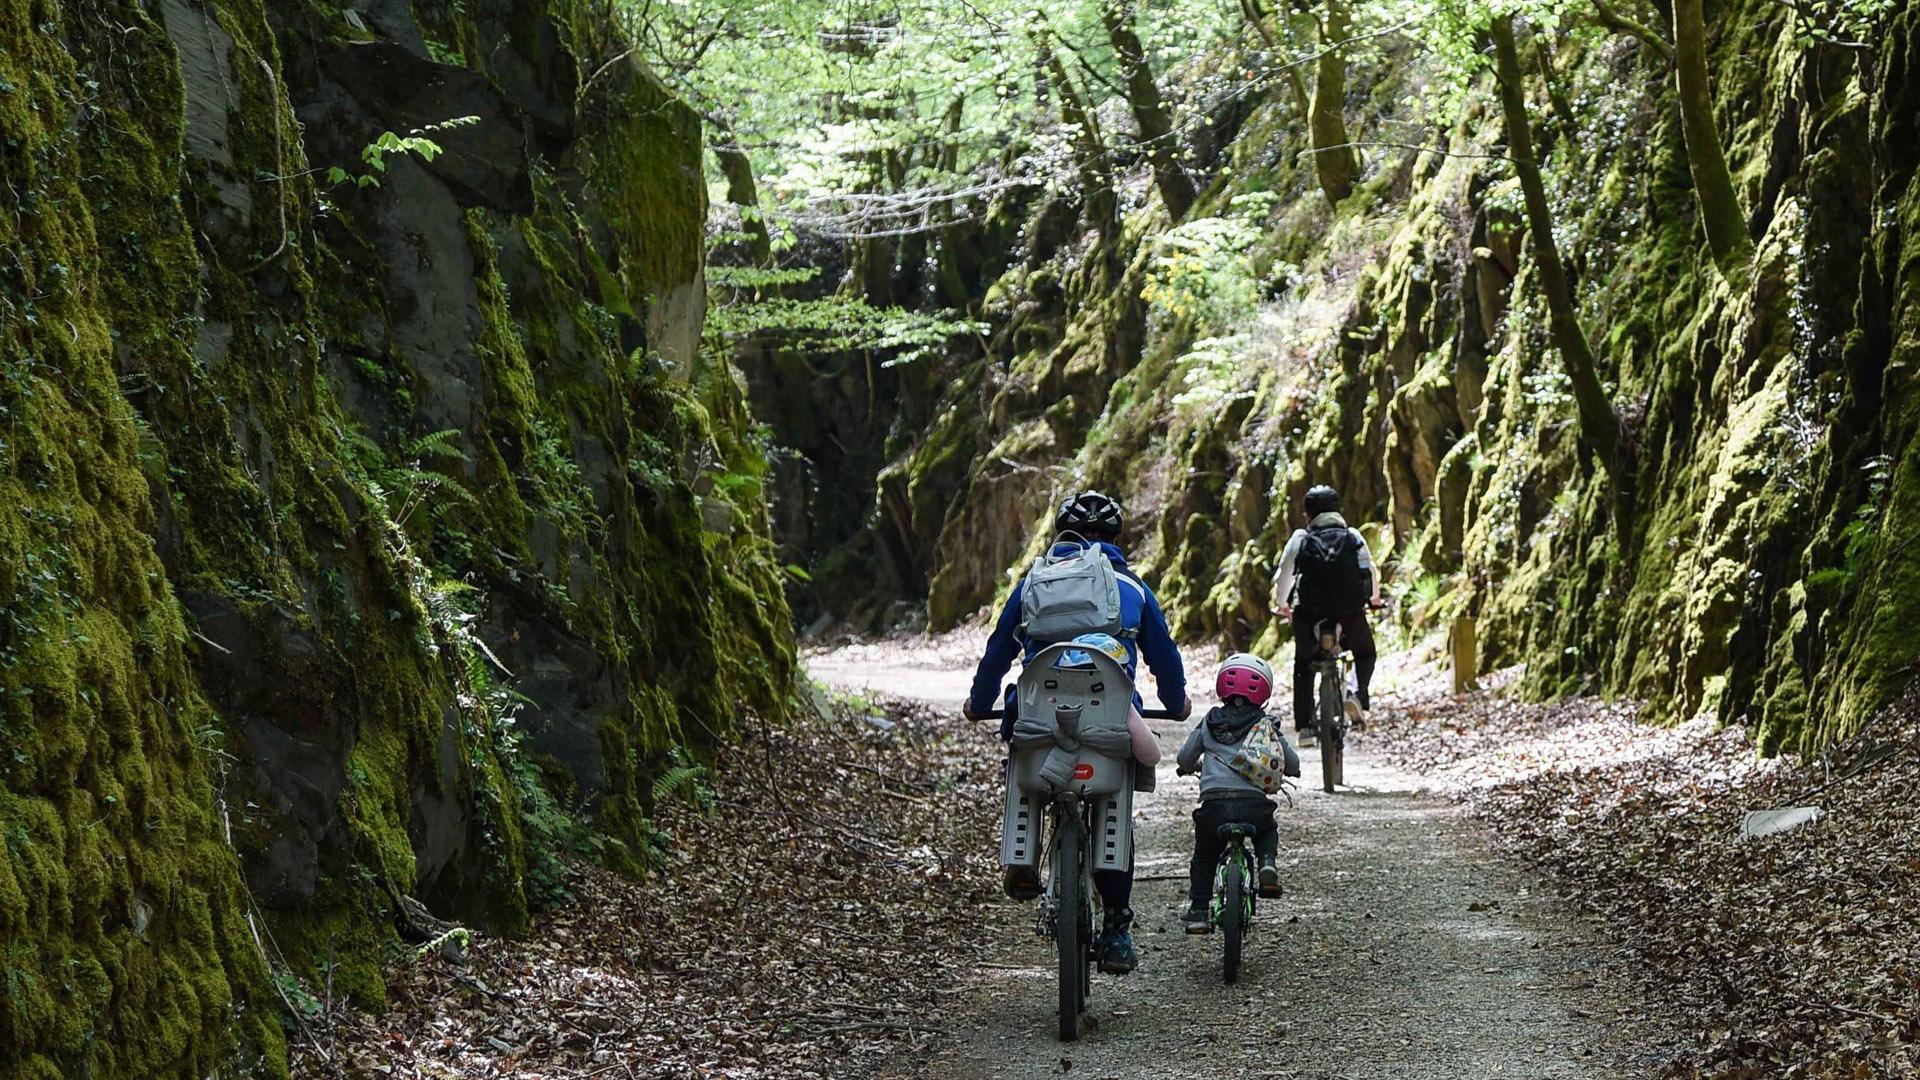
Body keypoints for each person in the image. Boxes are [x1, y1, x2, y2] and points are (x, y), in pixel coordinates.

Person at [965, 490, 1188, 976]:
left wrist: (979, 703)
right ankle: (1117, 928)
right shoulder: (1132, 588)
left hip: (1040, 720)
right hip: (1109, 721)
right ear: (1115, 539)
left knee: (1023, 756)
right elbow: (1165, 657)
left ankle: (1021, 858)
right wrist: (1176, 703)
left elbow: (999, 650)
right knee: (1114, 802)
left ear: (1062, 534)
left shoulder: (1034, 582)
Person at [1176, 654, 1294, 933]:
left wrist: (1191, 766)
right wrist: (1292, 770)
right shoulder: (1267, 724)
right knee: (1266, 830)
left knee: (1205, 855)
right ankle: (1267, 864)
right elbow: (1293, 762)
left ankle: (1198, 911)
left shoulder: (1209, 722)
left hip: (1214, 806)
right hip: (1254, 805)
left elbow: (1184, 758)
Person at [1270, 484, 1382, 745]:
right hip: (1349, 610)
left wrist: (1281, 604)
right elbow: (1369, 569)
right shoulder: (1352, 536)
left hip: (1310, 611)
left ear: (1308, 514)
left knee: (1304, 664)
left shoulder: (1301, 538)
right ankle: (1356, 693)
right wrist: (1374, 598)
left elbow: (1285, 574)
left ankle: (1306, 727)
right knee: (1365, 652)